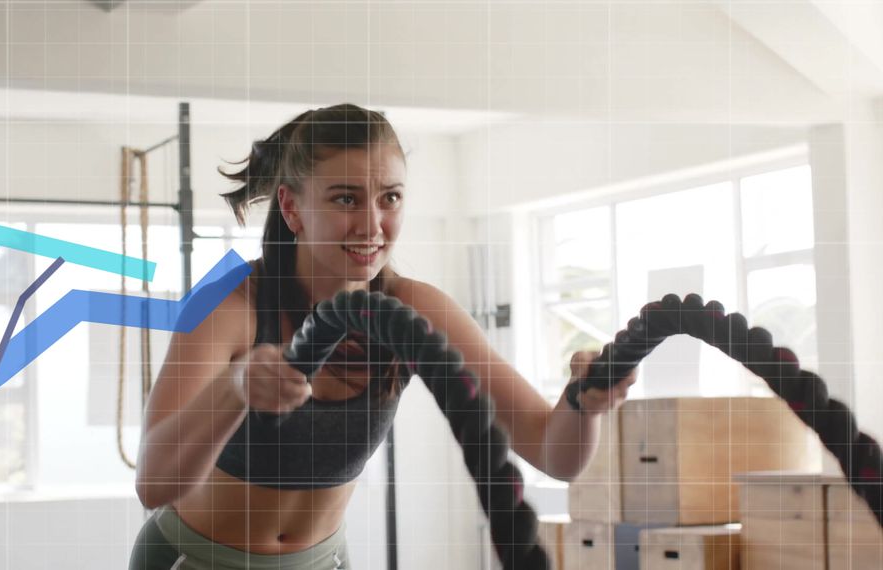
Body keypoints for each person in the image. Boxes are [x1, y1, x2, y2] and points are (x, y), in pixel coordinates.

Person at [128, 103, 634, 569]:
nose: (372, 225)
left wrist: (583, 404)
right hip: (194, 559)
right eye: (345, 199)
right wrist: (235, 386)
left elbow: (553, 453)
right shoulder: (229, 303)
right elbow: (153, 483)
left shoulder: (416, 308)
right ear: (292, 207)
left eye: (389, 198)